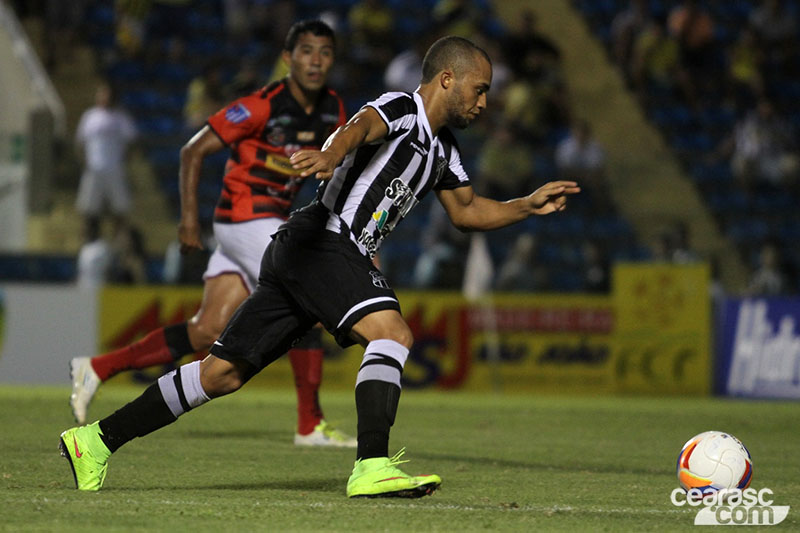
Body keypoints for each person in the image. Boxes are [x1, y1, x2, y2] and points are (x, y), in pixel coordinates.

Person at [59, 35, 579, 497]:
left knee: (221, 374)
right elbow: (359, 127)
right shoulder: (402, 108)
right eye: (479, 89)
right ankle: (371, 466)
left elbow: (466, 212)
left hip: (304, 252)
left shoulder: (444, 150)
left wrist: (526, 205)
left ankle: (95, 441)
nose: (484, 102)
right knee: (392, 334)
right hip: (325, 240)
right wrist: (331, 154)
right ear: (448, 79)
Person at [68, 19, 356, 449]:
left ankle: (96, 367)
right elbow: (193, 150)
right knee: (309, 299)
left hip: (267, 226)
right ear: (288, 58)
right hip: (244, 219)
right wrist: (188, 219)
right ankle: (309, 425)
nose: (316, 61)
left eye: (325, 53)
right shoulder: (259, 106)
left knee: (207, 330)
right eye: (306, 51)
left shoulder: (334, 110)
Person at [74, 81, 138, 239]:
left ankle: (120, 241)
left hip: (115, 168)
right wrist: (84, 162)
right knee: (88, 208)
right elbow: (80, 142)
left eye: (107, 94)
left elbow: (131, 142)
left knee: (120, 209)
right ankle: (89, 241)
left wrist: (125, 161)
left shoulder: (121, 117)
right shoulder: (89, 116)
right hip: (93, 168)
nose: (104, 97)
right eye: (101, 94)